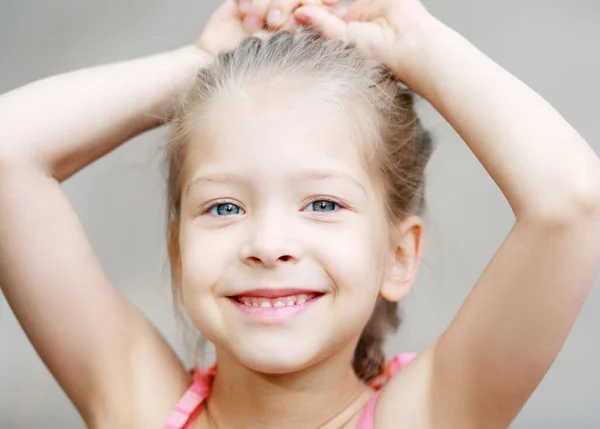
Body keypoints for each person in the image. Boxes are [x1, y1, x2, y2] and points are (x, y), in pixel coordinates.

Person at [1, 0, 599, 428]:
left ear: (399, 255)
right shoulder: (137, 405)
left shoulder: (433, 413)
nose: (268, 242)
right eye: (225, 205)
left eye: (322, 203)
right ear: (179, 249)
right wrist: (203, 66)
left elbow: (571, 199)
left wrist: (416, 43)